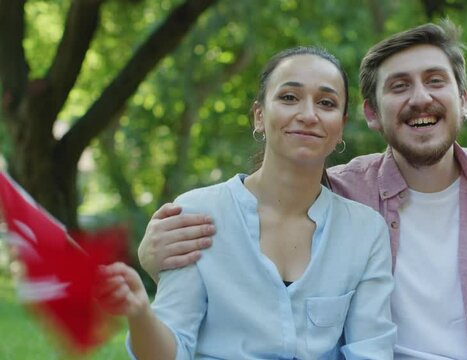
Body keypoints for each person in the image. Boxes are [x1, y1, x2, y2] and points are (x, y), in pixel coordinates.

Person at [138, 21, 467, 359]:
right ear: (369, 113)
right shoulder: (341, 192)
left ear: (462, 101)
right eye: (399, 86)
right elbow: (256, 235)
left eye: (435, 81)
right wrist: (153, 257)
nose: (420, 98)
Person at [95, 46, 396, 360]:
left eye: (326, 103)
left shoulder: (364, 230)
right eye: (289, 98)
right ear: (259, 116)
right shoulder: (198, 214)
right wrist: (140, 313)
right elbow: (170, 352)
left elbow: (371, 350)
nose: (308, 115)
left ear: (341, 126)